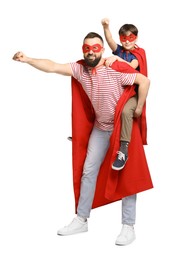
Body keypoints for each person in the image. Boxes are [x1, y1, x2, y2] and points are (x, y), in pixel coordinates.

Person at [12, 32, 153, 246]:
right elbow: (52, 66)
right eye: (87, 48)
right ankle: (81, 219)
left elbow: (143, 81)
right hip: (100, 129)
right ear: (82, 50)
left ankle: (128, 226)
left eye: (95, 48)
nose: (90, 52)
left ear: (102, 50)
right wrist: (28, 59)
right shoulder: (79, 69)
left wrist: (139, 107)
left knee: (127, 176)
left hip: (120, 129)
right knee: (88, 171)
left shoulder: (114, 69)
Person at [101, 18, 148, 171]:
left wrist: (139, 106)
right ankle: (87, 134)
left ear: (136, 38)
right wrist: (106, 26)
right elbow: (109, 40)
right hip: (120, 90)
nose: (127, 42)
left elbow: (129, 67)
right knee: (99, 95)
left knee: (126, 111)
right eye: (123, 38)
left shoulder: (137, 55)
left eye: (131, 38)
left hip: (133, 93)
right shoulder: (120, 50)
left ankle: (124, 149)